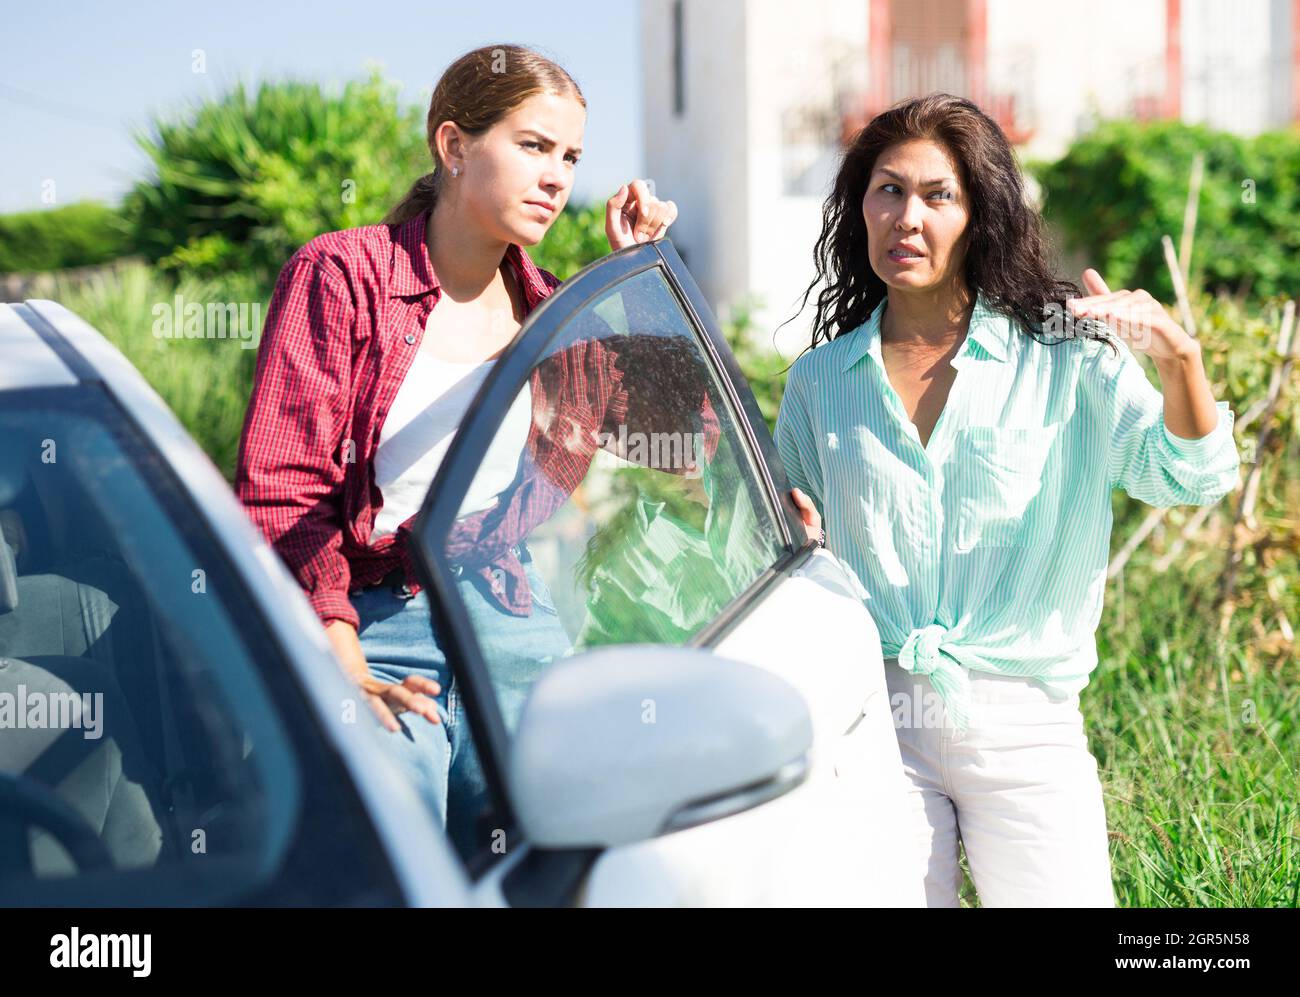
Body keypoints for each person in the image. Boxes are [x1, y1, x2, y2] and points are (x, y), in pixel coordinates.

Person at [772, 92, 1240, 907]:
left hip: (1028, 724)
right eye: (887, 190)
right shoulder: (819, 382)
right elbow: (783, 552)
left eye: (937, 195)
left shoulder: (1065, 354)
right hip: (877, 723)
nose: (906, 217)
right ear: (860, 205)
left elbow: (1190, 476)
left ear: (979, 212)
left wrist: (1179, 360)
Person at [235, 44, 682, 860]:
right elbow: (282, 489)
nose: (557, 176)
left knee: (570, 840)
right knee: (391, 839)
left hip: (505, 607)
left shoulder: (555, 313)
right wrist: (339, 658)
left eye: (572, 156)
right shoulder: (341, 275)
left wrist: (632, 275)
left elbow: (687, 439)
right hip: (363, 614)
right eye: (533, 146)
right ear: (453, 146)